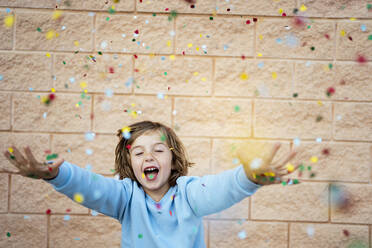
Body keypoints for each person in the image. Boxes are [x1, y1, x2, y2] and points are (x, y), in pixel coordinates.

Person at [3, 120, 298, 247]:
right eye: (139, 153)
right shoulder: (126, 197)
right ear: (130, 164)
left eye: (158, 150)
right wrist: (55, 175)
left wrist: (248, 178)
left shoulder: (189, 193)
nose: (149, 157)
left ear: (172, 160)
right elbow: (93, 189)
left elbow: (220, 189)